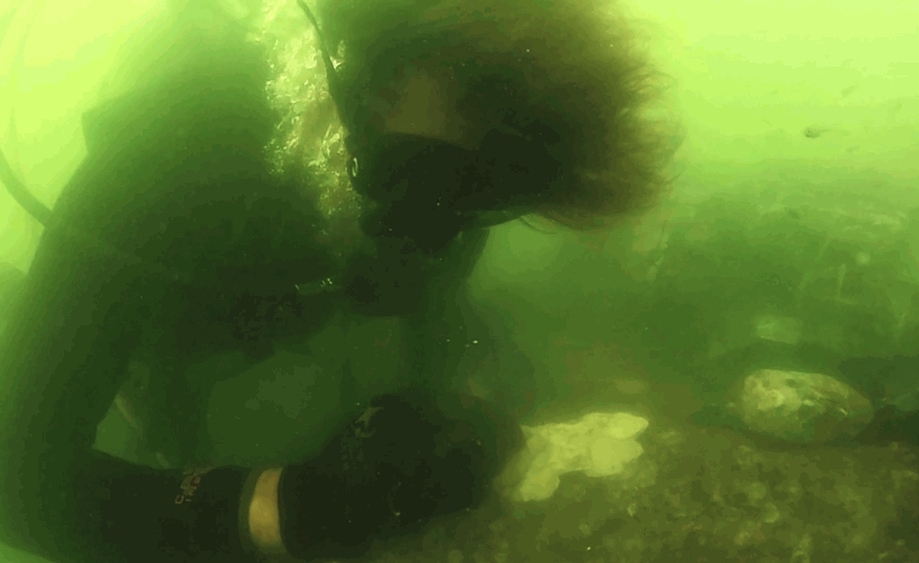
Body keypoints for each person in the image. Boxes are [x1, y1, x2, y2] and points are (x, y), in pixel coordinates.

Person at [0, 0, 678, 561]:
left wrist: (458, 406)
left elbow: (437, 312)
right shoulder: (164, 160)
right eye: (418, 180)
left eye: (484, 199)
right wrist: (287, 506)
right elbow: (15, 480)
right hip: (151, 356)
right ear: (350, 76)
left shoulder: (449, 184)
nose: (433, 233)